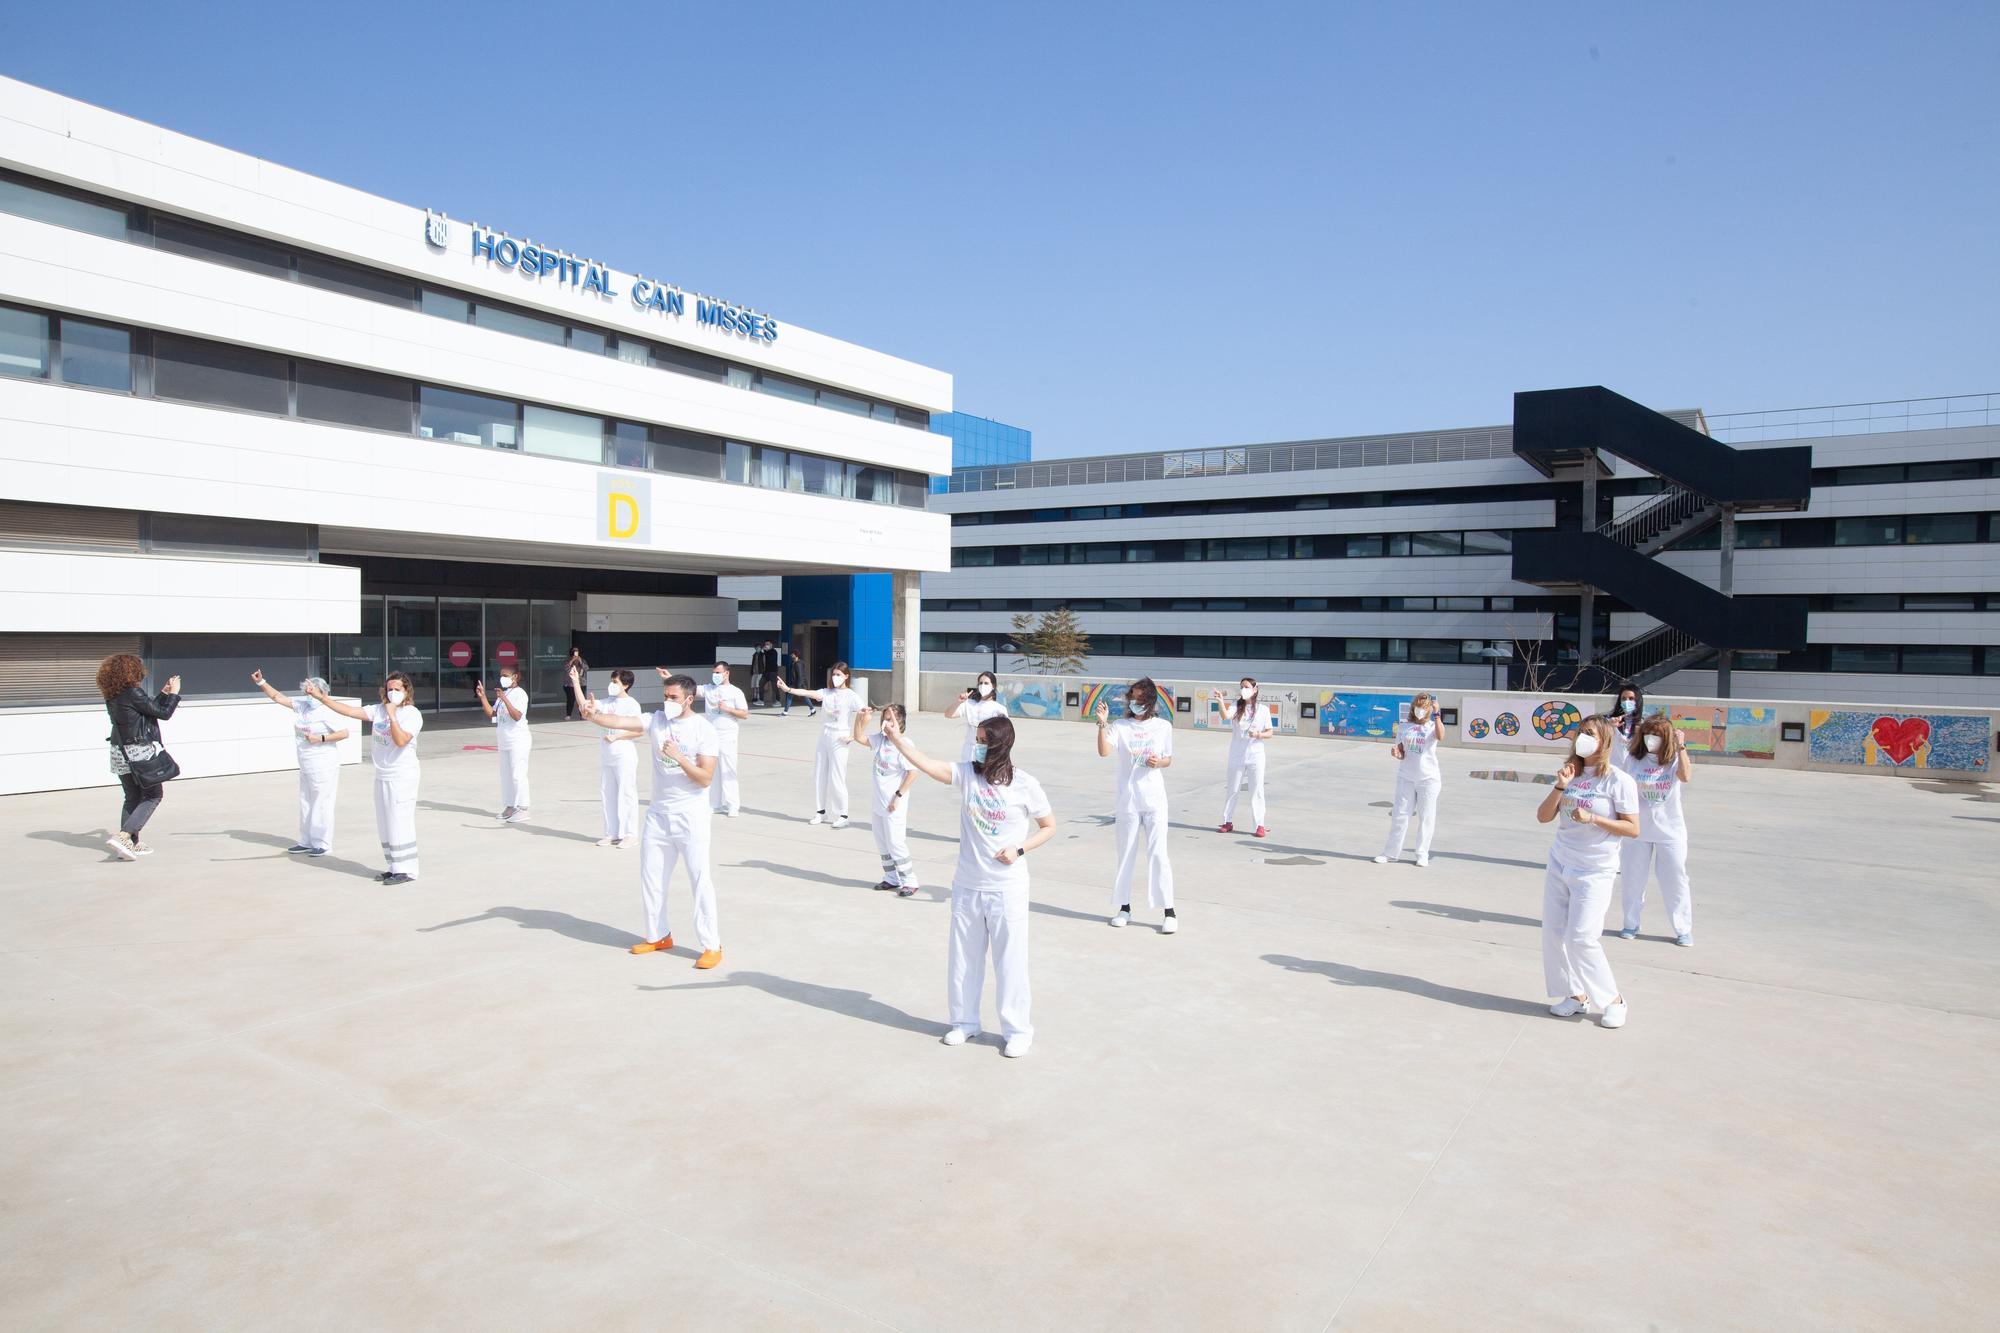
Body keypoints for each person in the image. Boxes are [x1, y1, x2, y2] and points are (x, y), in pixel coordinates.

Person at [883, 710, 1056, 1058]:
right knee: (963, 957)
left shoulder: (1025, 784)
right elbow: (928, 764)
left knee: (1011, 961)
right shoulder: (967, 775)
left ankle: (1018, 1030)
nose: (976, 748)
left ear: (1000, 746)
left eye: (982, 742)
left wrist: (1019, 848)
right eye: (975, 741)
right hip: (967, 884)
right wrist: (897, 739)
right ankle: (964, 1022)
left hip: (1007, 887)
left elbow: (1049, 826)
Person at [583, 673, 723, 968]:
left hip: (691, 817)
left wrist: (680, 757)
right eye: (665, 696)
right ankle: (658, 935)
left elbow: (705, 779)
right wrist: (594, 715)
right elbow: (620, 723)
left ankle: (711, 945)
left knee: (700, 880)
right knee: (652, 878)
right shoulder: (656, 720)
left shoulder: (704, 730)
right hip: (659, 816)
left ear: (688, 699)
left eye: (673, 697)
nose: (667, 701)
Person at [1535, 716, 1639, 1028]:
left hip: (1595, 868)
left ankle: (1613, 1000)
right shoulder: (1570, 774)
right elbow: (1542, 817)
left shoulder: (1619, 781)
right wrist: (1560, 786)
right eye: (1580, 732)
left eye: (1590, 734)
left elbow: (1633, 828)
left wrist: (1594, 818)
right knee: (1553, 933)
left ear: (1605, 741)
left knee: (1581, 937)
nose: (1583, 738)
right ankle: (1575, 994)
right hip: (1560, 863)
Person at [308, 672, 423, 884]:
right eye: (389, 688)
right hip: (382, 774)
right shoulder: (378, 710)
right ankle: (394, 865)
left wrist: (393, 716)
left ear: (407, 691)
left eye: (397, 689)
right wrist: (322, 697)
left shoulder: (412, 714)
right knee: (385, 822)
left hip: (402, 775)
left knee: (399, 820)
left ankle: (407, 870)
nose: (392, 692)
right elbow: (350, 711)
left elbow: (400, 741)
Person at [1096, 678, 1177, 933]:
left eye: (1140, 700)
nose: (1135, 703)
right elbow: (1104, 752)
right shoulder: (1120, 726)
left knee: (1158, 853)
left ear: (1150, 702)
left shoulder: (1163, 727)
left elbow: (1168, 759)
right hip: (1128, 800)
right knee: (1126, 853)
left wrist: (1158, 762)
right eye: (1133, 698)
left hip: (1154, 799)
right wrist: (1102, 724)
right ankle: (1124, 908)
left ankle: (1169, 911)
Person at [250, 668, 349, 857]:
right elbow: (278, 697)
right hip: (305, 763)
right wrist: (261, 682)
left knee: (322, 803)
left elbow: (344, 733)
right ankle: (306, 841)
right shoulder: (304, 705)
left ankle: (322, 843)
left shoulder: (327, 710)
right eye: (306, 691)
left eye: (311, 691)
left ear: (322, 692)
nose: (307, 695)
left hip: (323, 764)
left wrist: (320, 738)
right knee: (306, 802)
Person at [1616, 713, 1695, 946]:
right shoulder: (1633, 760)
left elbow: (1686, 776)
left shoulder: (1673, 760)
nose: (1652, 739)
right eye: (1649, 734)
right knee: (1632, 879)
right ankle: (1630, 923)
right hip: (1638, 831)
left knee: (1675, 879)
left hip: (1669, 831)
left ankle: (1683, 928)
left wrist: (1681, 747)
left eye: (1658, 736)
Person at [97, 653, 180, 860]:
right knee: (153, 795)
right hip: (138, 752)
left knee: (132, 797)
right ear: (130, 672)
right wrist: (174, 694)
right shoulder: (133, 692)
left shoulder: (113, 694)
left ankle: (129, 845)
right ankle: (124, 836)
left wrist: (162, 693)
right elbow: (163, 713)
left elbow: (147, 710)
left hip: (119, 752)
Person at [777, 660, 862, 826]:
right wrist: (788, 689)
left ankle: (843, 815)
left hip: (840, 737)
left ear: (846, 676)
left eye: (839, 675)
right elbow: (808, 693)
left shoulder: (852, 696)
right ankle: (820, 812)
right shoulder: (827, 692)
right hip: (825, 735)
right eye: (834, 674)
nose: (836, 677)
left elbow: (864, 714)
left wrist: (855, 736)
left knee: (837, 777)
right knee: (819, 774)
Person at [857, 703, 920, 896]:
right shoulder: (881, 740)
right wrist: (859, 720)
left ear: (899, 722)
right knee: (882, 842)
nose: (885, 722)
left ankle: (909, 880)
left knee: (895, 842)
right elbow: (859, 737)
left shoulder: (904, 744)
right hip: (878, 801)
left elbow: (912, 773)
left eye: (890, 718)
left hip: (894, 804)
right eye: (884, 718)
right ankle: (891, 878)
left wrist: (898, 796)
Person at [1375, 691, 1442, 866]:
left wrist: (1437, 715)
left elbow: (1441, 736)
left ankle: (1422, 854)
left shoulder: (1432, 726)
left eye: (1424, 707)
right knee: (1400, 815)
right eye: (1418, 706)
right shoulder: (1404, 726)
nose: (1420, 709)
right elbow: (1401, 752)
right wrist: (1396, 753)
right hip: (1406, 776)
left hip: (1428, 778)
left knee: (1426, 817)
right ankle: (1390, 853)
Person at [579, 665, 641, 847]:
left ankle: (630, 834)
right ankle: (612, 832)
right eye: (611, 681)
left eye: (615, 682)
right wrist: (575, 682)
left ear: (626, 685)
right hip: (607, 756)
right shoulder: (606, 702)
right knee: (608, 793)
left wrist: (618, 735)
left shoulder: (632, 704)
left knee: (626, 793)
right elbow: (585, 706)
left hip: (625, 755)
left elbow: (639, 731)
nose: (611, 684)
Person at [1215, 677, 1273, 837]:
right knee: (1233, 788)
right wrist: (1220, 701)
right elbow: (1226, 716)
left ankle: (1259, 825)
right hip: (1237, 754)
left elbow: (1270, 732)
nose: (1243, 690)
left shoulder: (1263, 710)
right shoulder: (1236, 706)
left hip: (1256, 755)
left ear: (1255, 690)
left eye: (1247, 687)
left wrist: (1258, 734)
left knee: (1257, 790)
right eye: (1241, 687)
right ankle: (1227, 821)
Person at [475, 665, 531, 822]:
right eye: (501, 675)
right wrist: (483, 697)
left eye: (506, 675)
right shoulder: (503, 694)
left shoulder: (520, 694)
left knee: (518, 774)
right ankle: (510, 806)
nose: (502, 678)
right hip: (504, 740)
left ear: (515, 677)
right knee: (506, 775)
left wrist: (505, 699)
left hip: (518, 740)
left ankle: (523, 808)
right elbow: (492, 715)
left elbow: (517, 716)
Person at [700, 660, 750, 816]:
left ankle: (732, 804)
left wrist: (728, 709)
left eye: (718, 672)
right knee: (712, 769)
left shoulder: (735, 692)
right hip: (710, 736)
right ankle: (715, 803)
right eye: (714, 672)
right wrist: (668, 678)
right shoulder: (708, 689)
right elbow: (687, 689)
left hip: (727, 734)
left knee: (728, 769)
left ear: (726, 673)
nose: (715, 675)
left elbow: (744, 714)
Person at [946, 671, 1008, 761]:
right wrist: (959, 702)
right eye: (980, 683)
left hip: (988, 752)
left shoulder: (999, 709)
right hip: (969, 751)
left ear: (993, 686)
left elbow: (1004, 734)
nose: (983, 686)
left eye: (986, 683)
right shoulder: (969, 704)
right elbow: (948, 714)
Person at [1611, 682, 1644, 747]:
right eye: (1623, 698)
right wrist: (1610, 726)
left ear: (1638, 700)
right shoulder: (1611, 720)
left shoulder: (1643, 724)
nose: (1626, 701)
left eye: (1631, 698)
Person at [563, 647, 589, 719]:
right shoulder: (568, 661)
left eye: (577, 652)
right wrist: (572, 660)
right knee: (570, 699)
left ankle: (582, 715)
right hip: (570, 684)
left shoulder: (582, 660)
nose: (576, 653)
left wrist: (580, 661)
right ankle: (568, 715)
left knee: (581, 699)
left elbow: (586, 668)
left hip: (581, 683)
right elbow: (566, 669)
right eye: (574, 652)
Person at [751, 640, 779, 708]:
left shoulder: (774, 652)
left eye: (768, 644)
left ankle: (777, 701)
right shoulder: (765, 652)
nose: (766, 645)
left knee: (774, 687)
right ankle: (761, 700)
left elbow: (770, 659)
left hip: (773, 672)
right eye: (765, 644)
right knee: (761, 684)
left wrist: (766, 651)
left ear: (771, 645)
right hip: (766, 672)